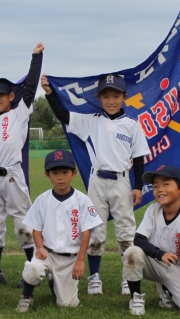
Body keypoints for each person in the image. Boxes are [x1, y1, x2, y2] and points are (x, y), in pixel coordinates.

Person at [42, 73, 150, 295]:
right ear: (99, 98)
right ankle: (94, 277)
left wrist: (138, 186)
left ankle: (127, 277)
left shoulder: (132, 125)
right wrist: (50, 93)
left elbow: (138, 159)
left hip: (121, 180)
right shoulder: (91, 121)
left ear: (124, 97)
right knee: (94, 230)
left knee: (125, 232)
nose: (111, 101)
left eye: (116, 96)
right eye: (106, 96)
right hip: (97, 180)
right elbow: (63, 115)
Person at [0, 42, 44, 288]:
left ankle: (32, 269)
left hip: (11, 175)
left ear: (10, 96)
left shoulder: (19, 113)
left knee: (22, 222)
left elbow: (30, 88)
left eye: (0, 95)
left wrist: (36, 58)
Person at [16, 150, 102, 312]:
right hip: (47, 253)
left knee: (67, 304)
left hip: (70, 258)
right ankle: (26, 296)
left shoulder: (82, 200)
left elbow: (87, 232)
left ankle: (53, 281)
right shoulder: (43, 199)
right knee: (33, 268)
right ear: (48, 175)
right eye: (55, 173)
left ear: (74, 173)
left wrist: (81, 260)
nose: (60, 177)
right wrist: (40, 247)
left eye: (65, 172)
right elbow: (36, 229)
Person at [122, 165, 180, 315]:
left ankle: (166, 290)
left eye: (166, 184)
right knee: (132, 252)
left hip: (177, 267)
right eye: (155, 186)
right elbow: (139, 239)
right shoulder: (153, 210)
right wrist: (160, 254)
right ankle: (135, 296)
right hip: (153, 261)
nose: (160, 189)